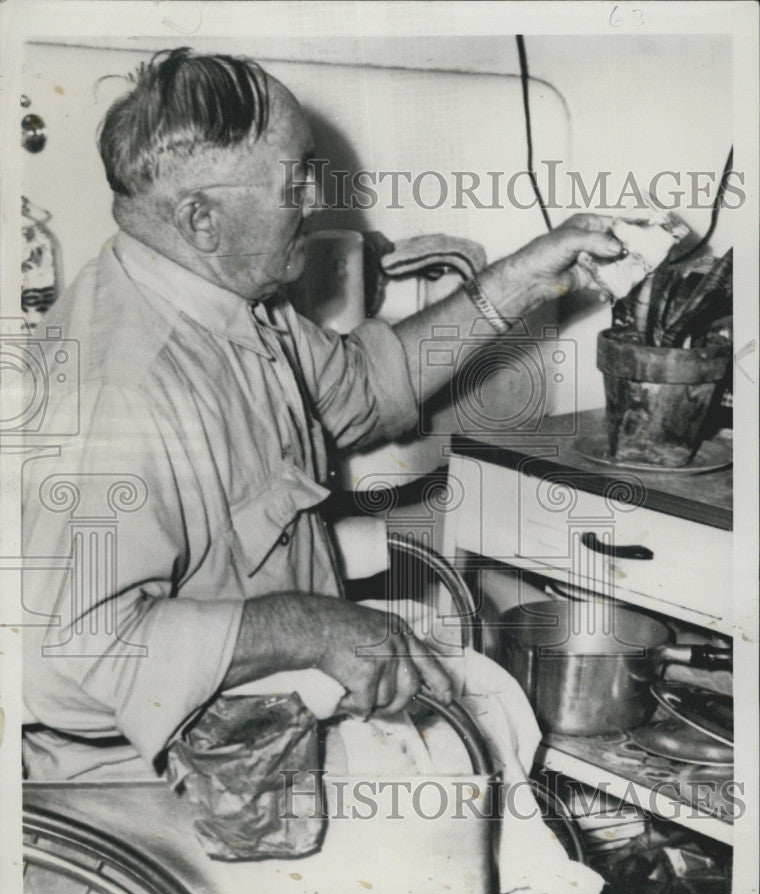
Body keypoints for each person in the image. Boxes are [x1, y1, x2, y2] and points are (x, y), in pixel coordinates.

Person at [21, 47, 622, 782]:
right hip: (154, 785)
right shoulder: (119, 390)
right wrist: (313, 628)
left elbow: (367, 389)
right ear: (201, 218)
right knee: (477, 797)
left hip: (264, 728)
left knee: (490, 735)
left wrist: (525, 279)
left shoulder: (231, 306)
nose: (316, 198)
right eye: (295, 180)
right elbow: (69, 658)